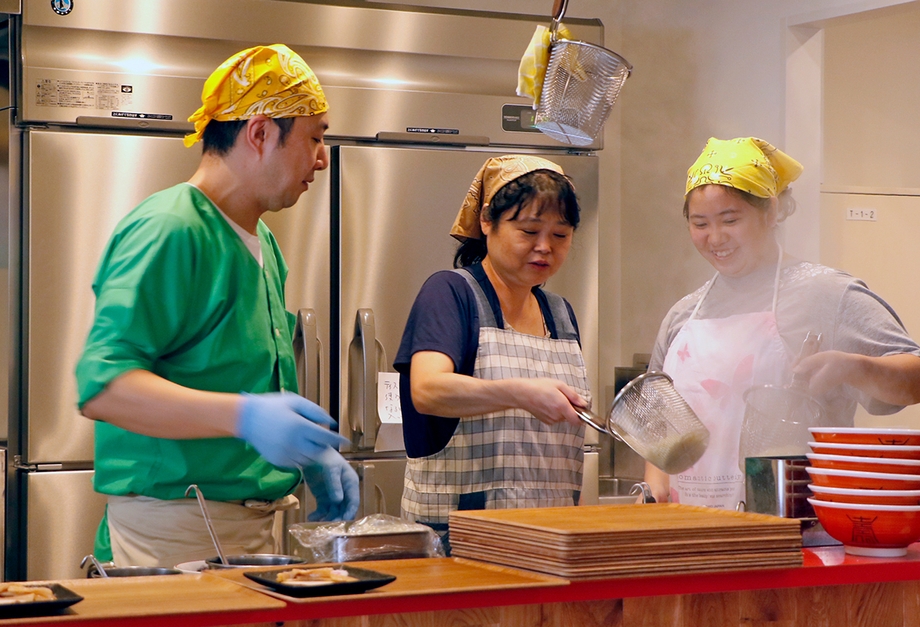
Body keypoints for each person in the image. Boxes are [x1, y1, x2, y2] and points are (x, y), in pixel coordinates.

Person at [75, 44, 359, 567]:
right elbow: (104, 387)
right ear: (259, 133)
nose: (322, 157)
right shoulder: (171, 228)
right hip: (168, 538)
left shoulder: (263, 243)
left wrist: (307, 454)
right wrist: (247, 417)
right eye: (316, 136)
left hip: (246, 533)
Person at [644, 137, 920, 508]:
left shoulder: (825, 294)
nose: (715, 238)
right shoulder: (684, 314)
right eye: (700, 223)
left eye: (730, 220)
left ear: (771, 212)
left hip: (794, 529)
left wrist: (852, 366)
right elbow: (660, 423)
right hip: (693, 531)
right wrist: (654, 486)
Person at [393, 155, 591, 549]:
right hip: (459, 547)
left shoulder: (561, 314)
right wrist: (520, 393)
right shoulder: (451, 293)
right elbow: (428, 390)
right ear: (487, 221)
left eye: (560, 235)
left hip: (549, 540)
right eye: (529, 230)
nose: (544, 248)